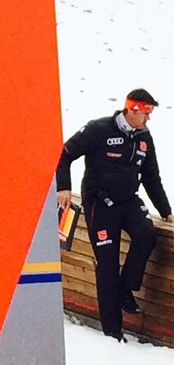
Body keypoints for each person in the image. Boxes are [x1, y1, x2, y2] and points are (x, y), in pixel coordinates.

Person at [56, 88, 174, 343]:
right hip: (100, 204)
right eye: (146, 113)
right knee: (107, 267)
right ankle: (112, 330)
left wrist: (166, 212)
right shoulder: (99, 129)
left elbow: (152, 177)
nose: (149, 119)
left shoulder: (144, 137)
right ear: (132, 110)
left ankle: (126, 289)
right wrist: (63, 187)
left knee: (146, 235)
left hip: (128, 200)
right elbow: (64, 154)